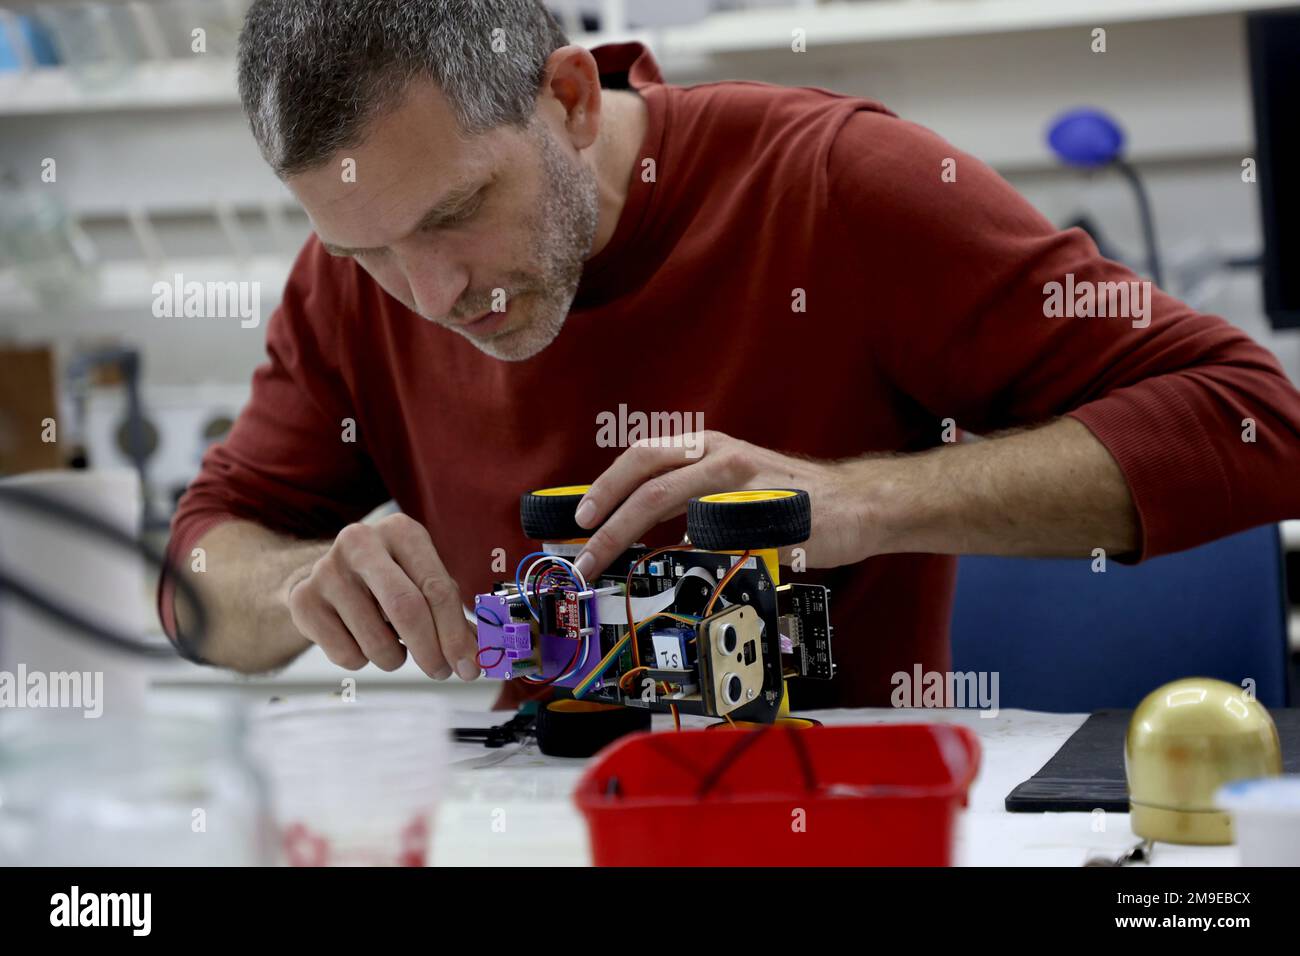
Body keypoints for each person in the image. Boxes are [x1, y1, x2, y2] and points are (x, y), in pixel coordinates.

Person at [160, 0, 1300, 711]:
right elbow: (194, 573)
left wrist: (852, 501)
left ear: (566, 97)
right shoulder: (352, 279)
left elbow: (1256, 417)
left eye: (459, 210)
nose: (431, 293)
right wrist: (297, 588)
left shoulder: (831, 185)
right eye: (368, 250)